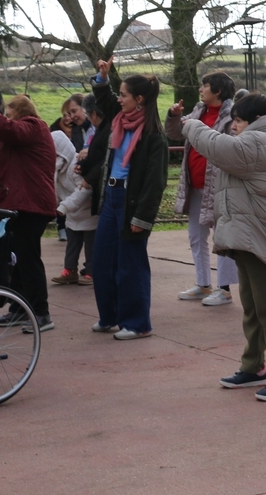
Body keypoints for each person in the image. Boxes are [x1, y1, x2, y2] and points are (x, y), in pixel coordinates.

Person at [183, 95, 266, 401]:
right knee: (253, 308)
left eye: (237, 121)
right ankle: (253, 366)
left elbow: (221, 148)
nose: (233, 126)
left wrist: (194, 126)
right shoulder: (260, 139)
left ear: (256, 119)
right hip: (251, 235)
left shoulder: (264, 140)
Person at [89, 58, 169, 340]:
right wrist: (102, 76)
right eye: (119, 94)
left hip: (131, 202)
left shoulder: (154, 137)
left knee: (130, 263)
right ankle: (109, 316)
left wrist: (142, 219)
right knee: (101, 259)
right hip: (111, 196)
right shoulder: (118, 119)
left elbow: (155, 183)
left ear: (139, 99)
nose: (119, 100)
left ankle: (137, 323)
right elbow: (103, 96)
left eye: (123, 95)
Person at [0, 90, 58, 333]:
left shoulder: (32, 126)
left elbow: (6, 129)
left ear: (20, 113)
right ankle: (21, 308)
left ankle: (41, 312)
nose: (7, 119)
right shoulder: (30, 132)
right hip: (22, 204)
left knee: (28, 259)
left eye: (9, 114)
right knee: (19, 260)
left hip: (29, 205)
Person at [165, 73, 240, 306]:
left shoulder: (233, 116)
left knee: (223, 236)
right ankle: (203, 284)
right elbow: (175, 133)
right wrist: (173, 116)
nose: (200, 89)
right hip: (195, 185)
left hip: (220, 187)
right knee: (196, 236)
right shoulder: (198, 111)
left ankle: (224, 289)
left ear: (217, 91)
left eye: (205, 86)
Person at [51, 128, 94, 285]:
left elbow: (84, 189)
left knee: (91, 245)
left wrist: (64, 206)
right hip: (72, 214)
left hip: (88, 212)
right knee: (72, 244)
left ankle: (92, 272)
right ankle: (70, 270)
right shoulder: (58, 169)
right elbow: (57, 189)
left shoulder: (76, 166)